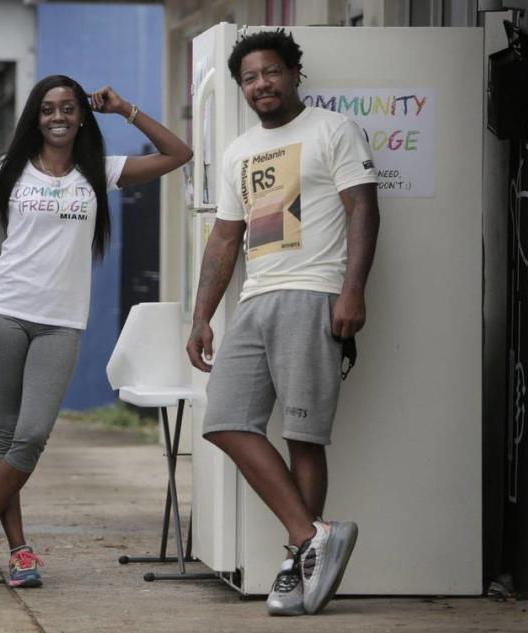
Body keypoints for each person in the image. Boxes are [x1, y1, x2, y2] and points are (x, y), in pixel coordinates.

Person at [0, 75, 191, 589]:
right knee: (1, 434)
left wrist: (125, 107)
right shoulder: (5, 169)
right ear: (35, 118)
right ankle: (20, 551)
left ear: (81, 115)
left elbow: (179, 153)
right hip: (1, 313)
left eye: (68, 107)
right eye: (47, 109)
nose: (58, 116)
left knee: (33, 433)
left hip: (60, 323)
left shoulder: (99, 172)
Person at [186, 29, 380, 616]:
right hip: (255, 300)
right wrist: (201, 316)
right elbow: (225, 238)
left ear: (294, 73)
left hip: (315, 293)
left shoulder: (333, 129)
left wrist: (352, 290)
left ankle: (298, 566)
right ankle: (309, 537)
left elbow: (364, 207)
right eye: (249, 78)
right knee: (224, 420)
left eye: (270, 72)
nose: (260, 85)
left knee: (303, 435)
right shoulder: (241, 149)